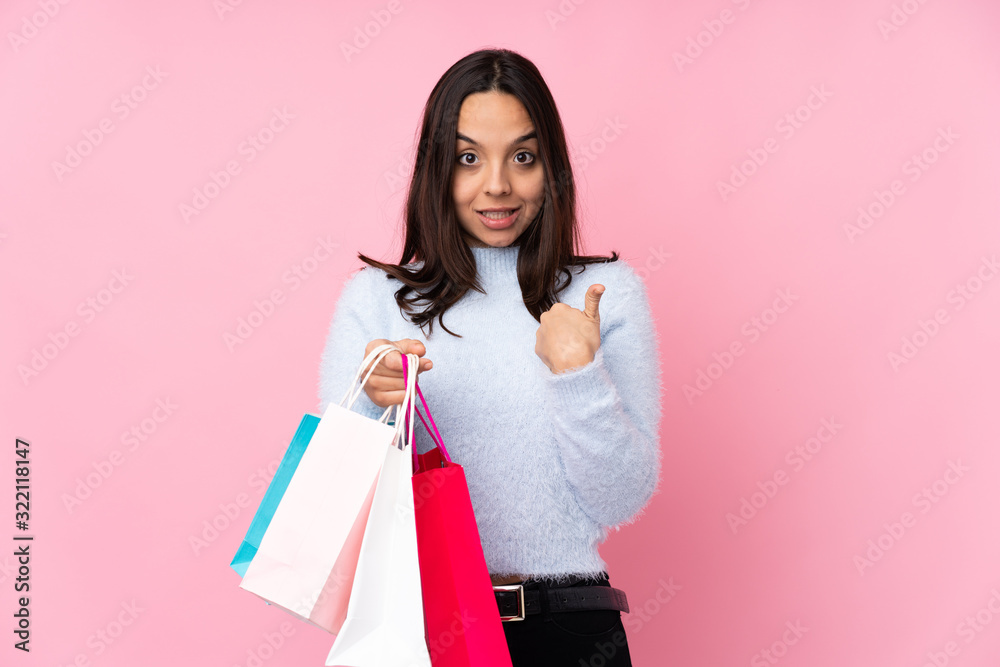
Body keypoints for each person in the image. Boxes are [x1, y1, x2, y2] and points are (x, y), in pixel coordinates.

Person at [318, 47, 662, 666]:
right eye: (468, 158)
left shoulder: (602, 297)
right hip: (422, 631)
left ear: (551, 169)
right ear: (435, 169)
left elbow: (622, 499)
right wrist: (371, 406)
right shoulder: (376, 302)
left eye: (523, 157)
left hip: (570, 632)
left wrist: (579, 377)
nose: (497, 184)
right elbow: (338, 509)